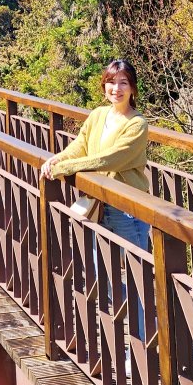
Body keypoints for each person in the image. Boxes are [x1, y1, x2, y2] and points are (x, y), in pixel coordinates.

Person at [40, 59, 151, 252]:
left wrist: (64, 168)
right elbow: (80, 144)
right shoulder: (98, 114)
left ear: (133, 88)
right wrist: (58, 159)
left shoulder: (137, 123)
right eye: (111, 82)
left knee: (137, 271)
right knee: (99, 270)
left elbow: (112, 159)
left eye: (123, 82)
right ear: (104, 85)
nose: (116, 88)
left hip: (126, 206)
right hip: (97, 199)